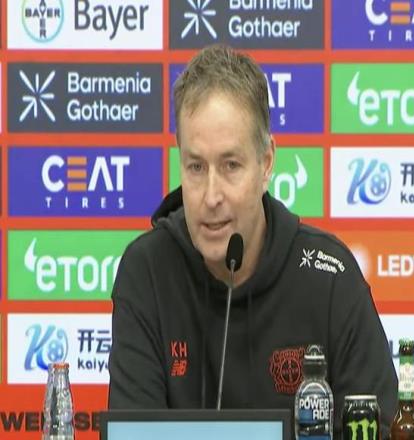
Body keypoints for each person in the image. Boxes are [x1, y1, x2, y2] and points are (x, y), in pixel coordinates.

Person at [108, 44, 397, 438]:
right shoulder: (147, 272)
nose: (211, 196)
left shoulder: (330, 277)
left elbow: (379, 427)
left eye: (231, 165)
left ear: (266, 164)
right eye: (196, 167)